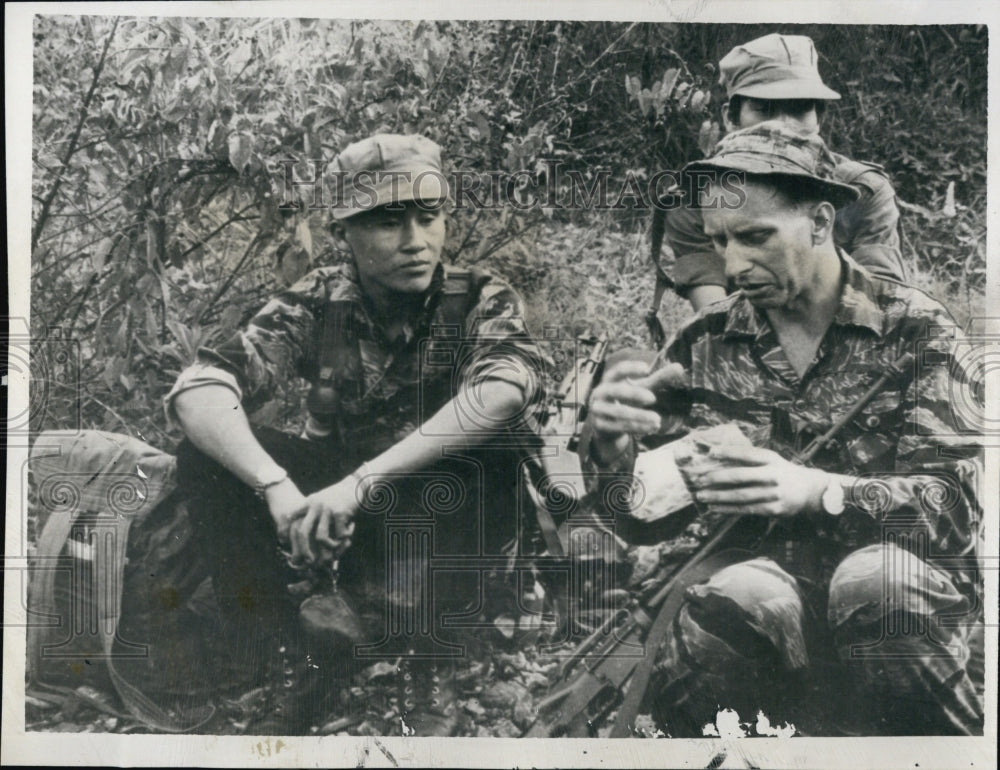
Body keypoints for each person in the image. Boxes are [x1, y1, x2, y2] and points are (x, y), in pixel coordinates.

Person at [588, 121, 983, 736]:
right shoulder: (706, 340)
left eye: (755, 236)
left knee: (875, 583)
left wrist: (818, 491)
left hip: (896, 611)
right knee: (733, 596)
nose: (734, 264)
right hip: (766, 607)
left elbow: (956, 509)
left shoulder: (919, 334)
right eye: (720, 242)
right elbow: (641, 517)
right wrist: (613, 450)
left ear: (821, 223)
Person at [166, 134, 545, 736]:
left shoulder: (478, 296)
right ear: (342, 232)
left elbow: (502, 391)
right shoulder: (316, 300)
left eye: (428, 217)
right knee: (206, 456)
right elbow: (200, 387)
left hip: (449, 523)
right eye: (388, 223)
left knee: (494, 448)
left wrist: (360, 483)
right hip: (348, 521)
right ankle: (290, 655)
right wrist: (277, 487)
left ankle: (431, 662)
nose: (415, 242)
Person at [654, 32, 906, 317]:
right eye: (764, 110)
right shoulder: (696, 199)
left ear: (819, 120)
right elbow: (715, 322)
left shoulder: (863, 190)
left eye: (799, 109)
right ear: (729, 119)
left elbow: (881, 306)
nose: (783, 125)